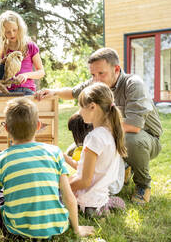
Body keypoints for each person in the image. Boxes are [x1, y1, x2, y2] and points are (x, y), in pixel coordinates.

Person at [35, 47, 163, 204]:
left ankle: (143, 185)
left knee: (131, 141)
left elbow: (134, 126)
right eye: (93, 75)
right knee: (75, 150)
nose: (96, 79)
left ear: (116, 69)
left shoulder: (133, 84)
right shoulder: (97, 82)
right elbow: (74, 92)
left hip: (145, 137)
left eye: (101, 73)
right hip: (116, 133)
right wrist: (53, 92)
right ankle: (121, 168)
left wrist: (100, 135)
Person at [0, 97, 94, 239]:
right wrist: (77, 229)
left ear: (6, 128)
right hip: (56, 227)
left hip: (16, 231)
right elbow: (68, 196)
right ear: (39, 125)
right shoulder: (55, 152)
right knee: (54, 190)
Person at [67, 83, 127, 217]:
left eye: (80, 106)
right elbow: (88, 171)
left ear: (92, 107)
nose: (79, 111)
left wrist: (62, 189)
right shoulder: (111, 133)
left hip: (86, 202)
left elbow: (85, 181)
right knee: (68, 179)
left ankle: (97, 211)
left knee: (56, 190)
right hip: (100, 197)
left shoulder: (94, 138)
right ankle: (107, 206)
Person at [64, 113, 125, 196]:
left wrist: (64, 157)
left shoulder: (93, 144)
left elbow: (82, 170)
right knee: (70, 180)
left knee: (71, 188)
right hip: (114, 181)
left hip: (109, 186)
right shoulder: (103, 135)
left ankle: (107, 202)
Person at [0, 10, 45, 95]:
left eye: (14, 30)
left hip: (27, 91)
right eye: (8, 32)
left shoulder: (30, 46)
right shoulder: (0, 51)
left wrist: (26, 75)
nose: (12, 34)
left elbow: (41, 72)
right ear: (3, 33)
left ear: (20, 28)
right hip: (7, 93)